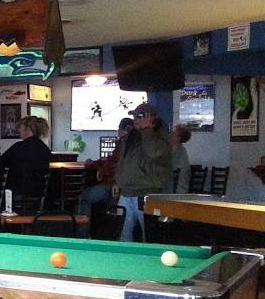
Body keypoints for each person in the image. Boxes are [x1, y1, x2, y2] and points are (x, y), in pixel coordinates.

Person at [114, 102, 172, 241]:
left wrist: (147, 129)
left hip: (147, 193)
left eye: (140, 115)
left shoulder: (162, 137)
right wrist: (117, 181)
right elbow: (123, 161)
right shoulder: (132, 136)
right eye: (134, 115)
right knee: (122, 234)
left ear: (151, 117)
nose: (136, 119)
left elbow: (154, 153)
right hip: (126, 192)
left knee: (150, 235)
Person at [77, 117, 133, 220]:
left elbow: (112, 164)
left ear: (122, 129)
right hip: (124, 186)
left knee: (84, 197)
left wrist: (99, 168)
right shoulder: (134, 143)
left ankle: (83, 228)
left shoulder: (122, 144)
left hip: (113, 185)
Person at [1, 116, 51, 210]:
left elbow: (1, 163)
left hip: (17, 194)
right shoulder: (44, 148)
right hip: (37, 194)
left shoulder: (19, 147)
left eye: (20, 127)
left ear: (27, 129)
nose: (19, 130)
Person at [171, 124, 191, 192]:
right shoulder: (181, 148)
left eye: (173, 133)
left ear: (178, 138)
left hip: (176, 189)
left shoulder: (175, 149)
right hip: (181, 187)